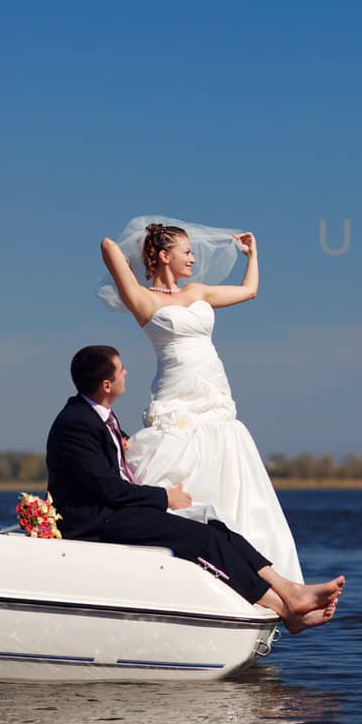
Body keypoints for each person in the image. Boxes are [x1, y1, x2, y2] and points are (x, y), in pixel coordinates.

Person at [46, 344, 343, 633]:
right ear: (107, 384)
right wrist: (165, 497)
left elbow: (107, 457)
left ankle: (289, 591)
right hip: (98, 521)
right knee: (200, 540)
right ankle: (284, 607)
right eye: (121, 369)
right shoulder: (76, 424)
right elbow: (109, 489)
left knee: (216, 526)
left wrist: (124, 442)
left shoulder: (97, 416)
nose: (127, 372)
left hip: (118, 511)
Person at [98, 217, 306, 582]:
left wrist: (251, 254)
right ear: (164, 256)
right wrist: (140, 239)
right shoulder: (143, 299)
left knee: (225, 464)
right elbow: (108, 246)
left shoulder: (198, 292)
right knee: (175, 466)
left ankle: (247, 569)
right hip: (175, 396)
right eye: (187, 251)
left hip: (215, 395)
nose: (194, 258)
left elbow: (250, 290)